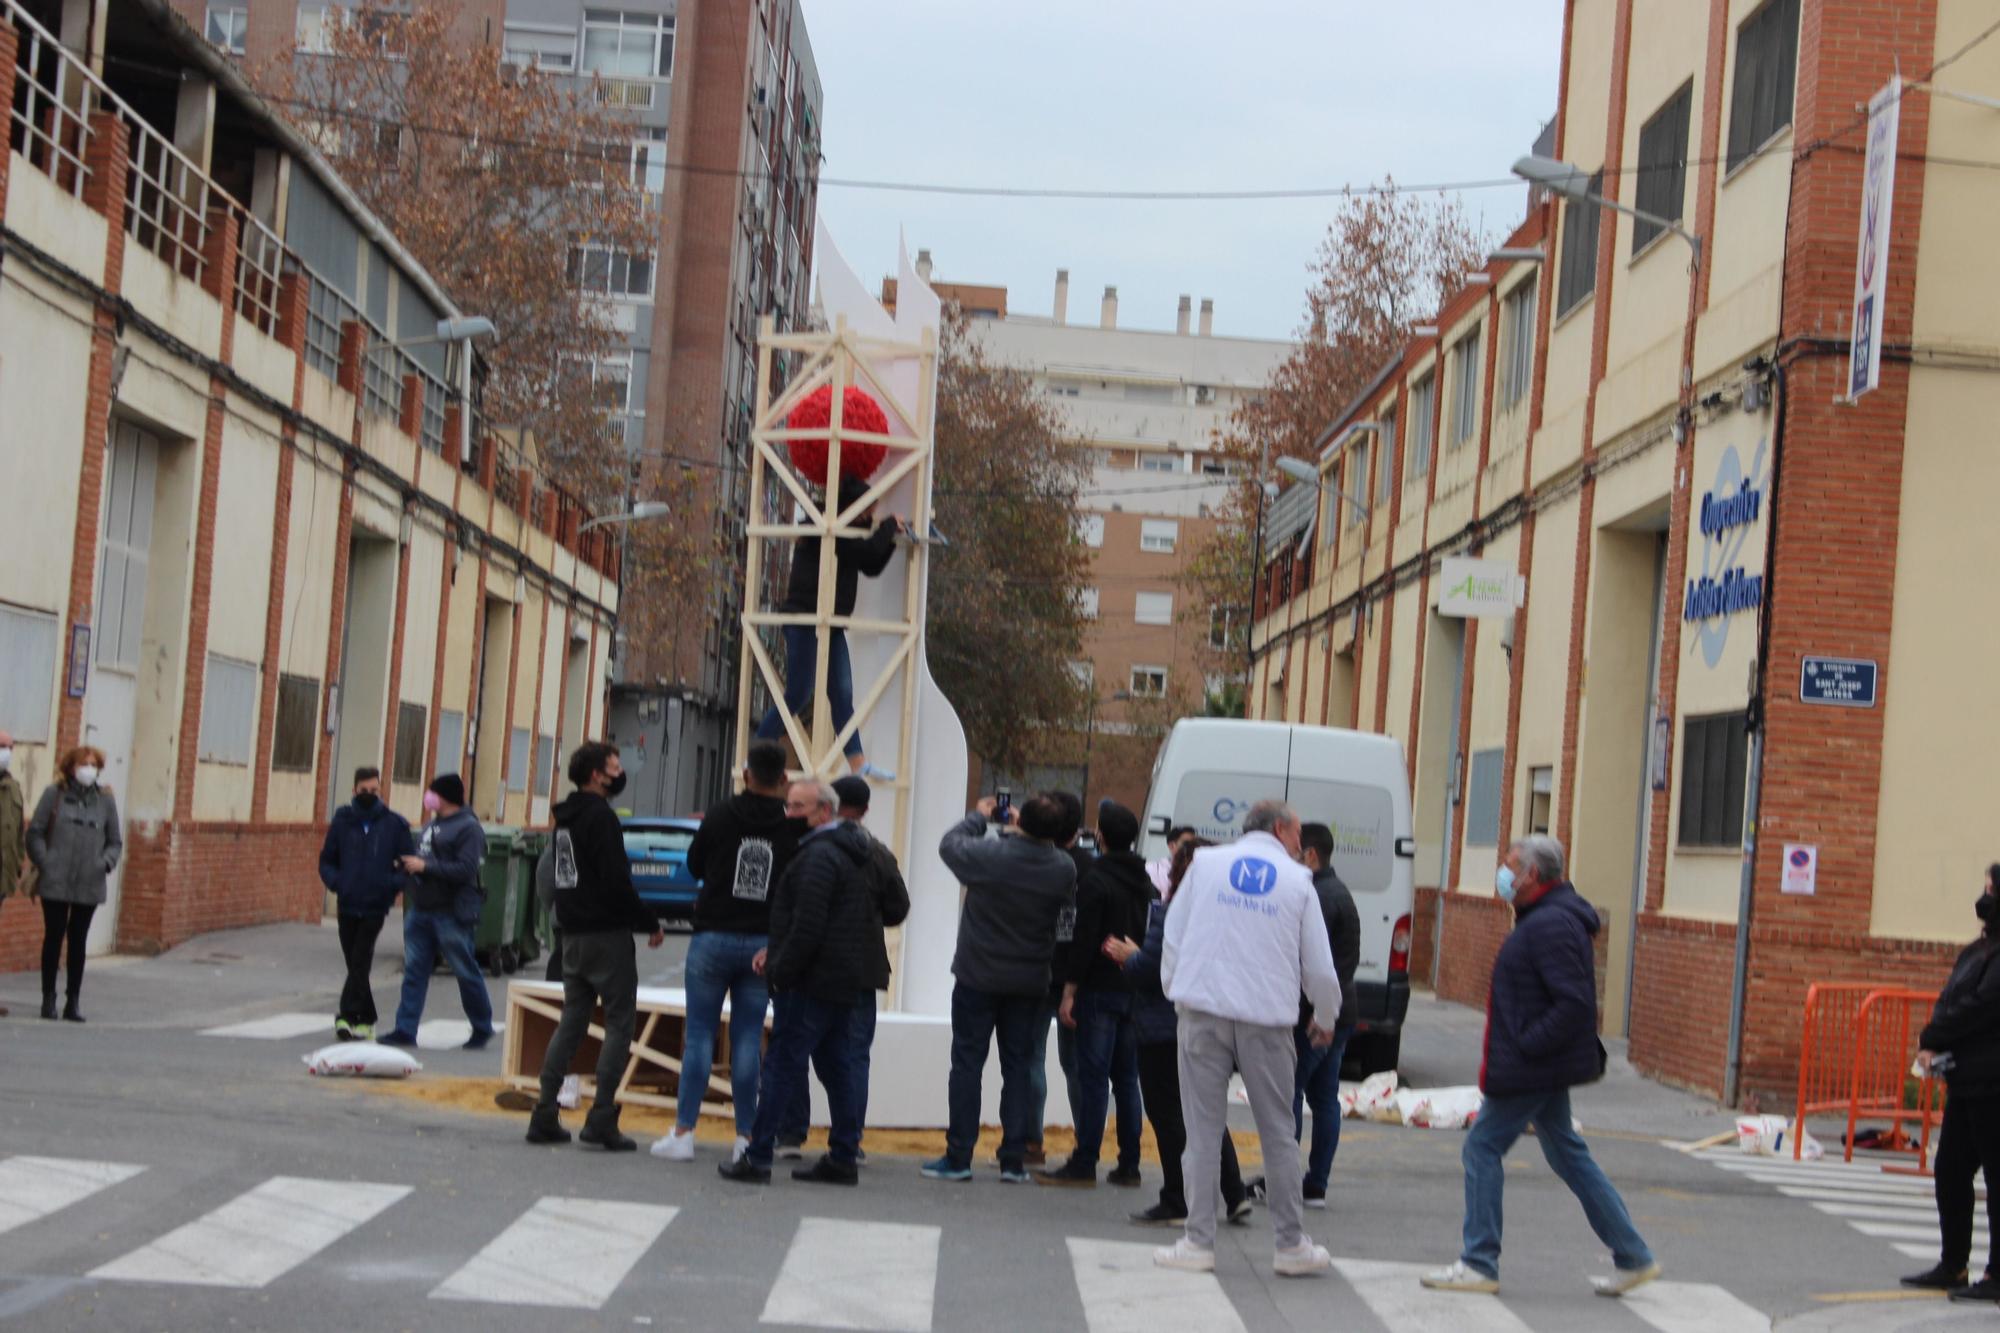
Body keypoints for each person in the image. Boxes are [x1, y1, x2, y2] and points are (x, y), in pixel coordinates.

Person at [1423, 835, 1659, 1298]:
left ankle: (1479, 1262)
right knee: (1567, 1153)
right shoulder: (1542, 919)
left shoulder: (1550, 925)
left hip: (1530, 1065)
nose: (1503, 873)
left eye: (1510, 865)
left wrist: (1528, 1046)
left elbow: (1573, 1003)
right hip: (1536, 1064)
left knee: (1481, 1149)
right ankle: (1633, 1255)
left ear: (1532, 875)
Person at [1157, 799, 1339, 1278]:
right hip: (1266, 1016)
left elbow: (1174, 934)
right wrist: (1325, 1014)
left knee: (1201, 1132)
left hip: (1202, 1007)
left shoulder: (1206, 864)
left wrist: (1176, 990)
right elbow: (1318, 964)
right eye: (1299, 834)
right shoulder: (1298, 882)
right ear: (1280, 829)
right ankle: (1289, 1244)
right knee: (1278, 1132)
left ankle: (1198, 1241)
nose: (1302, 844)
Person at [719, 780, 878, 1186]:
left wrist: (781, 969)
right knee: (835, 1064)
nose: (788, 814)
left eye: (797, 807)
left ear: (824, 812)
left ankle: (757, 1156)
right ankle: (843, 1154)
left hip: (811, 980)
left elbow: (808, 924)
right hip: (839, 977)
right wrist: (777, 952)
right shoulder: (845, 852)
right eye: (788, 805)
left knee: (782, 1065)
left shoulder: (819, 857)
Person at [656, 740, 803, 1164]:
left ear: (746, 774)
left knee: (699, 1035)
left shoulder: (719, 814)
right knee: (747, 1038)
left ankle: (684, 1132)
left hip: (713, 935)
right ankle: (745, 1136)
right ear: (782, 779)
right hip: (762, 940)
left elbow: (695, 865)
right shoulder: (788, 825)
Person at [923, 793, 1077, 1183]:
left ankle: (959, 1155)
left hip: (978, 974)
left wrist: (981, 818)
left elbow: (949, 845)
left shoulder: (991, 855)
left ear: (1022, 823)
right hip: (1029, 980)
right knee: (1020, 1069)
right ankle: (1013, 1158)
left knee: (967, 1064)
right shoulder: (1063, 868)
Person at [1106, 836, 1253, 1227]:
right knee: (1205, 1110)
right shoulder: (1228, 915)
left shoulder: (1173, 912)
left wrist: (1130, 957)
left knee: (1168, 1113)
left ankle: (1177, 1197)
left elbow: (1154, 969)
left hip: (1162, 1025)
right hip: (1211, 1021)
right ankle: (1234, 1192)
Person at [525, 743, 664, 1151]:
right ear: (595, 775)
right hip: (606, 933)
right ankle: (602, 1115)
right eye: (614, 767)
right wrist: (647, 921)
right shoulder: (601, 819)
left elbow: (558, 873)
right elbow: (616, 880)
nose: (620, 774)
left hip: (571, 933)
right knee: (620, 1023)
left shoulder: (565, 819)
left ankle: (545, 1109)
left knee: (572, 1019)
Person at [777, 774, 910, 1164]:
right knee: (853, 1056)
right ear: (866, 809)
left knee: (793, 1046)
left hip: (809, 968)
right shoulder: (877, 852)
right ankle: (848, 1139)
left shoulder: (808, 847)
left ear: (828, 805)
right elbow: (898, 909)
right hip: (861, 969)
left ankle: (789, 1131)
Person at [753, 474, 903, 780]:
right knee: (799, 691)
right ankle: (757, 752)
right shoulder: (826, 529)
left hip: (830, 622)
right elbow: (864, 553)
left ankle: (857, 762)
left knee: (842, 694)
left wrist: (890, 537)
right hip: (806, 619)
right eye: (866, 511)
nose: (870, 517)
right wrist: (887, 528)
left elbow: (871, 565)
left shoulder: (844, 534)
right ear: (852, 509)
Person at [1039, 800, 1151, 1188]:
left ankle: (1085, 1159)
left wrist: (1070, 991)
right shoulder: (1144, 881)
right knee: (1126, 1080)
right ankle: (1130, 1163)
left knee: (1092, 1077)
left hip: (1099, 989)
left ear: (1100, 836)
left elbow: (1084, 941)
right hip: (1132, 988)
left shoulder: (1096, 881)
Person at [1903, 864, 2000, 1302]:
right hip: (1967, 1079)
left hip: (1994, 1081)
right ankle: (1953, 1264)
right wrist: (1932, 1038)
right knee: (1951, 1170)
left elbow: (1982, 1007)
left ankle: (1997, 1275)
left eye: (1990, 891)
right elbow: (1950, 999)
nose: (1984, 899)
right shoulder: (1977, 950)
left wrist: (1937, 1036)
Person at [381, 774, 494, 1050]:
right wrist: (408, 866)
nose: (428, 796)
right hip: (421, 909)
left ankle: (482, 1026)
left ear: (444, 797)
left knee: (464, 969)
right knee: (414, 972)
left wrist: (425, 867)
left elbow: (466, 869)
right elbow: (425, 858)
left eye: (433, 792)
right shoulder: (433, 824)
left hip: (451, 913)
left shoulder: (468, 828)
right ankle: (405, 1029)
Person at [1289, 821, 1360, 1208]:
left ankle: (1285, 1176)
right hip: (1341, 1009)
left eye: (1295, 851)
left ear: (1310, 855)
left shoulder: (1316, 897)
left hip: (1318, 1014)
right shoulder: (1339, 893)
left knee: (1291, 1093)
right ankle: (1317, 1182)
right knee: (1325, 1098)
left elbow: (1316, 965)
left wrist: (1317, 1013)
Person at [317, 767, 415, 1042]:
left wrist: (390, 885)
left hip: (375, 905)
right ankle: (367, 1018)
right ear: (354, 791)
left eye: (374, 791)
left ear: (381, 791)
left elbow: (408, 863)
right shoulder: (342, 822)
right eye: (364, 791)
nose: (369, 796)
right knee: (355, 963)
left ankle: (346, 1017)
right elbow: (327, 860)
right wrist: (338, 882)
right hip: (347, 903)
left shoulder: (394, 824)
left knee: (360, 959)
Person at [26, 745, 121, 1023]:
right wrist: (47, 861)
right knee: (54, 935)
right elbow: (35, 833)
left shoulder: (105, 801)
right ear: (71, 767)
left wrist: (104, 862)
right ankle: (48, 998)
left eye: (93, 765)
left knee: (78, 939)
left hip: (88, 881)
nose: (89, 770)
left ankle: (73, 1001)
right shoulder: (54, 794)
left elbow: (114, 841)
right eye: (84, 764)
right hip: (56, 879)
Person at [1024, 791, 1090, 1167]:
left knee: (1031, 1058)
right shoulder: (1088, 867)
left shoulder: (1034, 864)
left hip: (1037, 969)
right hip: (1077, 978)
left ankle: (1031, 1142)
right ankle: (1085, 1143)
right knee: (1076, 1065)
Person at [0, 730, 22, 1017]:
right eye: (1, 746)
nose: (5, 751)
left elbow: (18, 833)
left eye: (9, 747)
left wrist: (16, 867)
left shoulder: (13, 788)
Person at [1146, 825, 1198, 896]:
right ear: (1172, 846)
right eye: (1186, 844)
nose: (1192, 848)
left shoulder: (1199, 870)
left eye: (1194, 844)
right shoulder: (1151, 869)